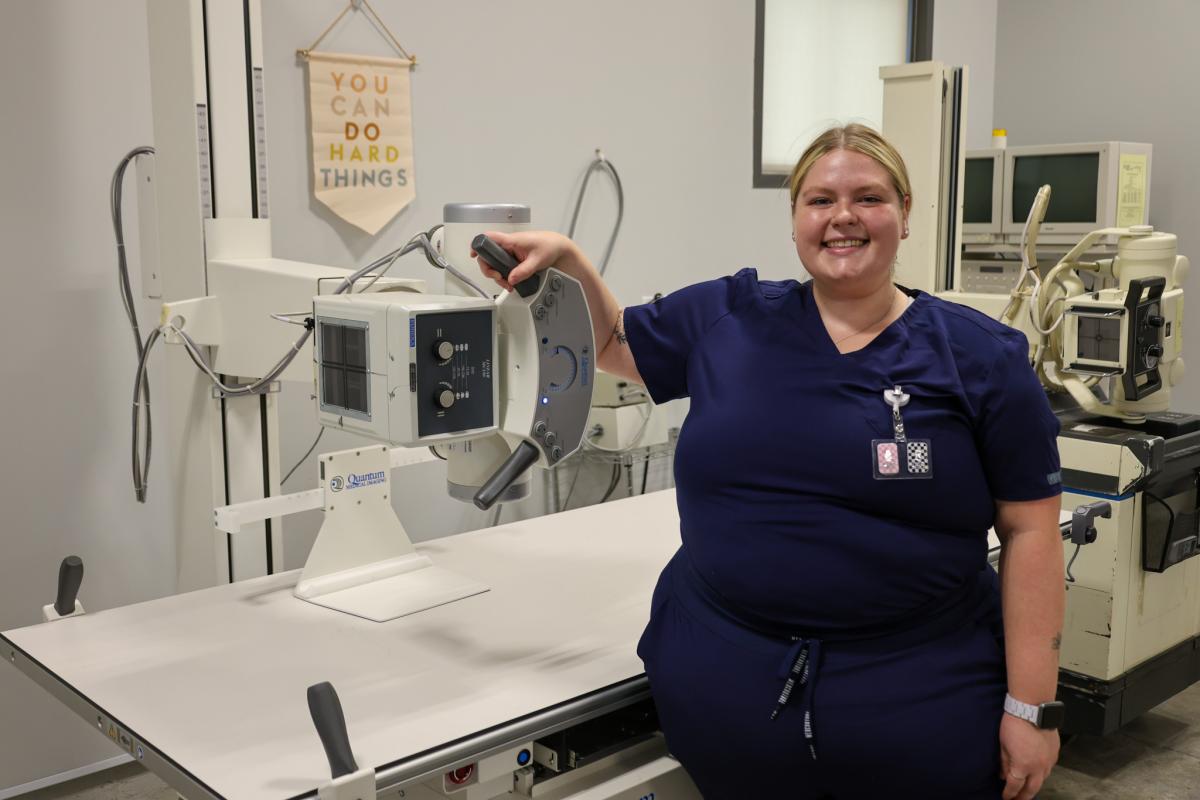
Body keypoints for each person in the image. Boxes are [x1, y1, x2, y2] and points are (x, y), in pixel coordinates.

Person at [476, 124, 1065, 800]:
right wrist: (571, 259)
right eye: (820, 200)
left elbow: (1031, 532)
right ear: (794, 221)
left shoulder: (981, 357)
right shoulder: (728, 316)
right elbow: (614, 341)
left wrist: (1032, 709)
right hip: (725, 685)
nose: (843, 216)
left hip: (919, 697)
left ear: (905, 212)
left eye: (868, 198)